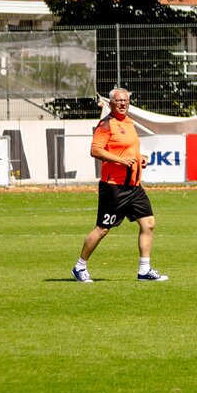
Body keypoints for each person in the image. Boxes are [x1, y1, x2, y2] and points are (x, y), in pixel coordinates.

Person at [72, 87, 168, 282]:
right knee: (102, 229)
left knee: (149, 223)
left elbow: (129, 148)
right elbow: (95, 150)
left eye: (125, 100)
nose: (123, 103)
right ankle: (80, 266)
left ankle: (144, 270)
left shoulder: (129, 122)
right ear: (111, 103)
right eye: (119, 101)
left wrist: (140, 159)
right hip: (114, 187)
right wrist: (121, 160)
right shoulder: (106, 124)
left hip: (134, 186)